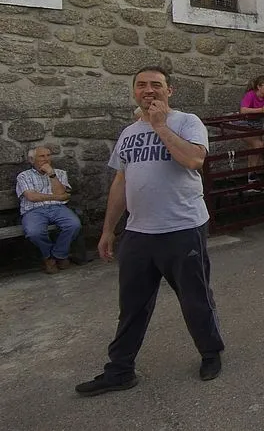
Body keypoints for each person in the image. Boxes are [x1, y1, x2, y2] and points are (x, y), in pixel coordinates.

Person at [76, 67, 224, 397]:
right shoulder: (128, 133)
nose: (148, 90)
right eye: (141, 85)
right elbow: (121, 181)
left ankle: (210, 353)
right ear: (134, 92)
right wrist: (108, 229)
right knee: (132, 305)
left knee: (195, 298)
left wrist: (160, 126)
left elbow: (194, 160)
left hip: (183, 228)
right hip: (139, 233)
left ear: (169, 91)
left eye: (156, 85)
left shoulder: (187, 122)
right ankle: (120, 370)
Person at [15, 146, 82, 274]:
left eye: (48, 155)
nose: (46, 159)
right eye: (42, 156)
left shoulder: (59, 173)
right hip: (33, 210)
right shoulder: (24, 176)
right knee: (34, 232)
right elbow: (32, 197)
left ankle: (58, 255)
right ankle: (48, 257)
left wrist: (52, 174)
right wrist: (57, 197)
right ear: (32, 160)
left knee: (74, 225)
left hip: (58, 208)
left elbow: (62, 193)